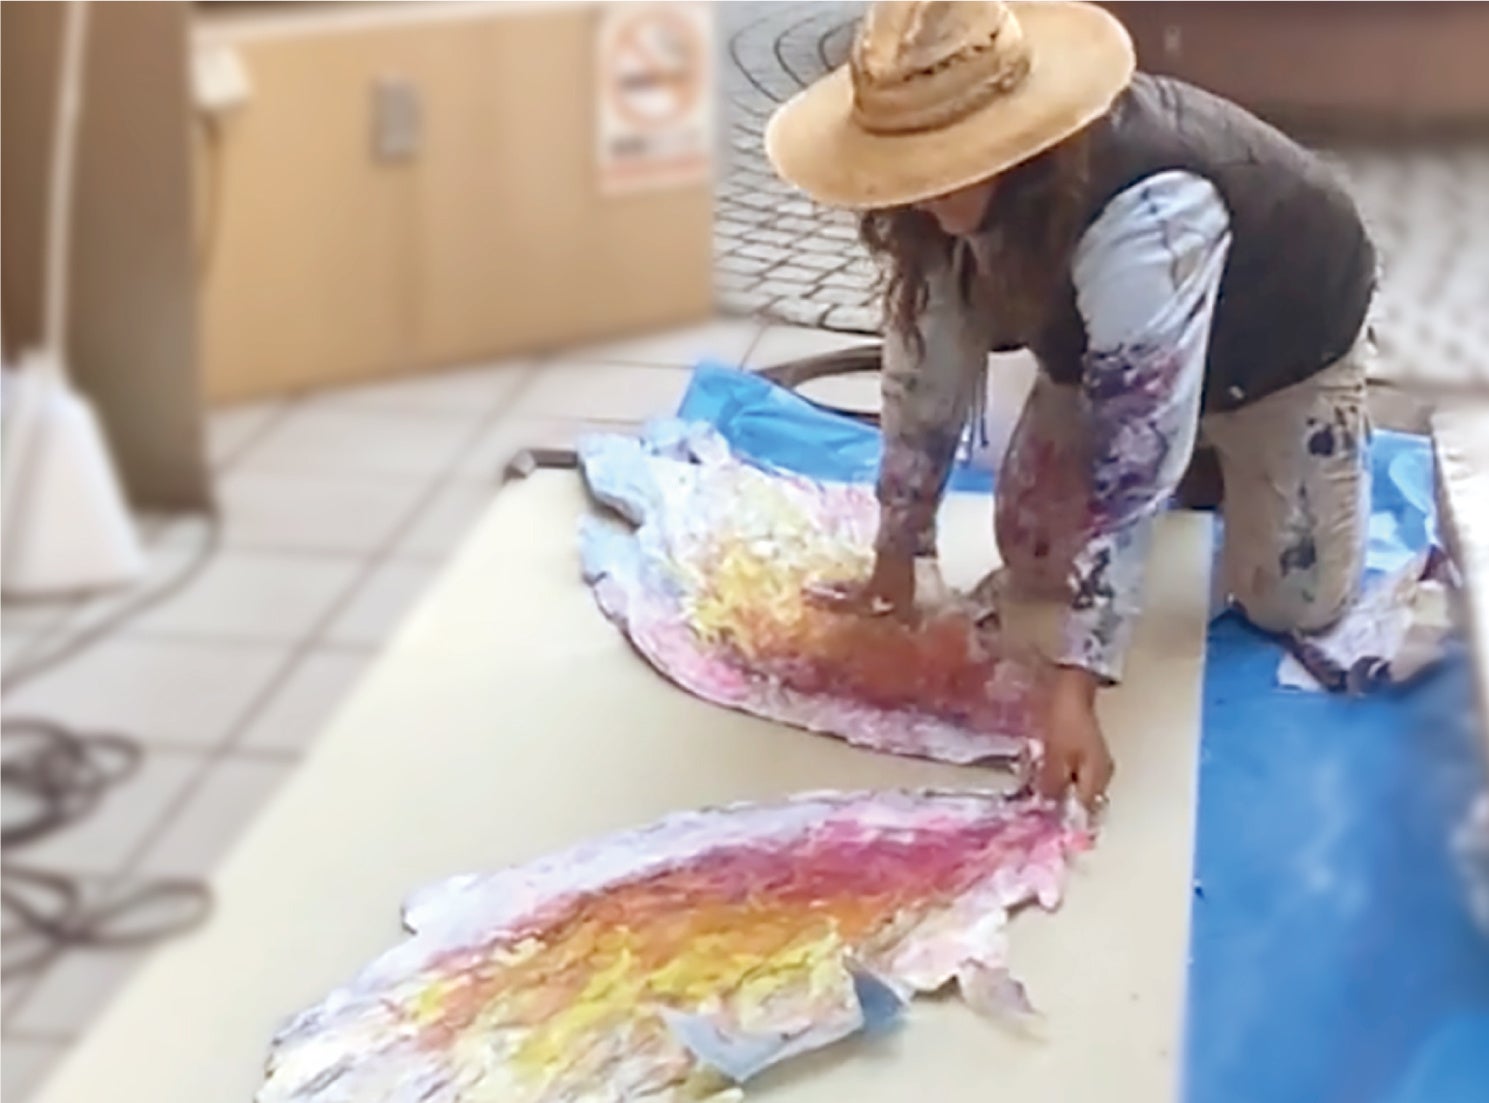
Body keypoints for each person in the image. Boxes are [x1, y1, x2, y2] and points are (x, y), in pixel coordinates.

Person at [763, 0, 1376, 808]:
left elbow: (1135, 447)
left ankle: (1242, 457)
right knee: (1031, 554)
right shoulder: (934, 203)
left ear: (1004, 140)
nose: (916, 189)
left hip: (1279, 357)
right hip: (1103, 350)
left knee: (1292, 602)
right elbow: (924, 369)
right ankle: (1204, 466)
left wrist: (1075, 691)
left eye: (936, 163)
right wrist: (897, 554)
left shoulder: (1148, 211)